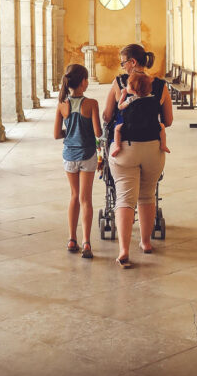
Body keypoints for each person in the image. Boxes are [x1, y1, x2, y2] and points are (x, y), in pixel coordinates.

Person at [103, 44, 173, 268]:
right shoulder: (161, 85)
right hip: (153, 148)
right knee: (147, 195)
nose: (122, 66)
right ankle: (145, 242)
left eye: (123, 62)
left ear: (132, 62)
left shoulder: (120, 82)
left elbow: (106, 115)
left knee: (124, 197)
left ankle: (124, 249)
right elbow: (168, 121)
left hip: (125, 148)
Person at [54, 63, 102, 259]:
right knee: (86, 199)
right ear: (84, 82)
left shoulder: (62, 105)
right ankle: (87, 242)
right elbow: (98, 133)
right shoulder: (91, 104)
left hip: (69, 155)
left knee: (74, 196)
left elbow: (57, 134)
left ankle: (72, 238)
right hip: (88, 155)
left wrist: (71, 132)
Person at [110, 71, 170, 157]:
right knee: (162, 127)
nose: (126, 86)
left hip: (131, 127)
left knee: (117, 129)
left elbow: (120, 106)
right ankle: (163, 145)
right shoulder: (152, 98)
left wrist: (123, 94)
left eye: (128, 85)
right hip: (151, 126)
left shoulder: (131, 99)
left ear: (133, 89)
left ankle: (117, 147)